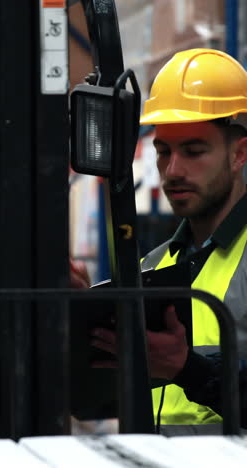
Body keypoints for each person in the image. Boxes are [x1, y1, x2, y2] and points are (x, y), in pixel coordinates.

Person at [90, 48, 247, 435]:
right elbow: (97, 399)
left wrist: (186, 370)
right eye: (163, 152)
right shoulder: (152, 268)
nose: (173, 170)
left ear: (239, 153)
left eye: (194, 151)